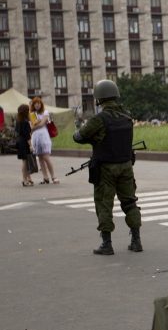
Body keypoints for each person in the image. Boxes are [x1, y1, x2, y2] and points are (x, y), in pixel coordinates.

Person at [73, 79, 143, 255]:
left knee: (104, 204)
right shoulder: (127, 117)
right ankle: (136, 241)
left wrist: (89, 136)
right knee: (129, 202)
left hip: (106, 168)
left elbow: (79, 137)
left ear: (99, 99)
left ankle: (107, 244)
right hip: (126, 166)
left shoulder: (100, 119)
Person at [29, 97, 59, 184]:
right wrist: (34, 126)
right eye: (35, 103)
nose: (37, 105)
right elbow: (31, 126)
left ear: (41, 104)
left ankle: (53, 176)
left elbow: (42, 124)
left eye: (38, 103)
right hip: (35, 137)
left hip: (44, 136)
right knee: (40, 158)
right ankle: (45, 177)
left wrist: (34, 126)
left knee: (46, 157)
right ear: (33, 105)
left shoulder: (45, 112)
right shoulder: (32, 114)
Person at [15, 104, 34, 187]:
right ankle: (24, 179)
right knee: (25, 162)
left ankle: (28, 178)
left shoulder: (18, 120)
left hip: (19, 141)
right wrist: (30, 145)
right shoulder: (25, 122)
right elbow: (27, 135)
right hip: (24, 142)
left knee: (25, 161)